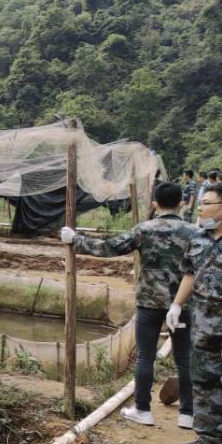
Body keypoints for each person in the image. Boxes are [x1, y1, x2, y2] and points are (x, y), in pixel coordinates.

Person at [61, 182, 196, 428]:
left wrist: (75, 240)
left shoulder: (145, 229)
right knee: (184, 359)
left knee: (145, 356)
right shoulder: (194, 232)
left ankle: (143, 410)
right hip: (182, 305)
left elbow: (111, 247)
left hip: (149, 303)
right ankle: (187, 414)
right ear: (181, 205)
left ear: (154, 204)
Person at [167, 183, 222, 444]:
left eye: (206, 203)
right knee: (206, 381)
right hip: (204, 322)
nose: (199, 208)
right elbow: (190, 274)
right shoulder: (199, 238)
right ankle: (213, 440)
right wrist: (176, 305)